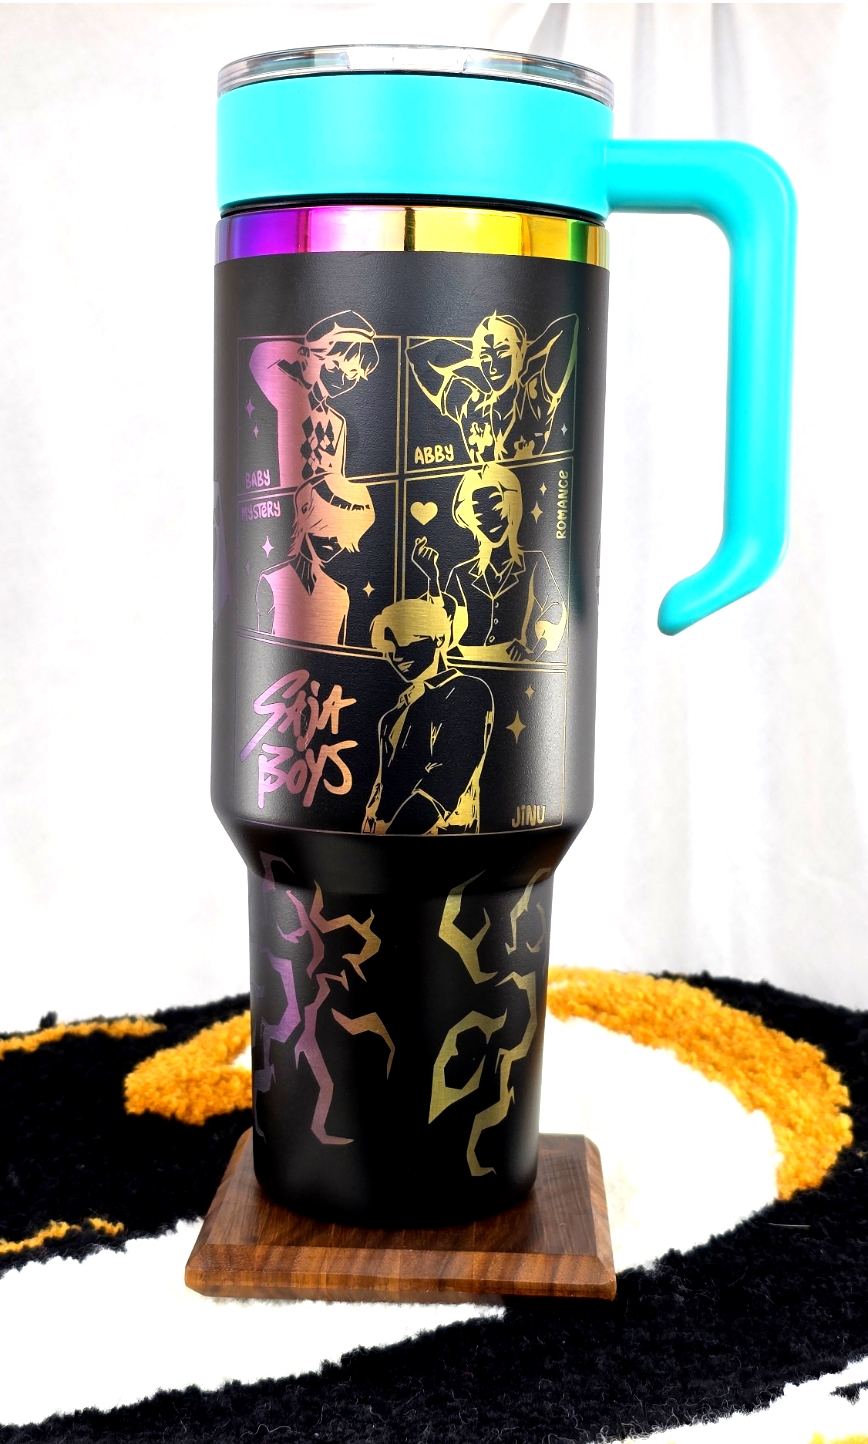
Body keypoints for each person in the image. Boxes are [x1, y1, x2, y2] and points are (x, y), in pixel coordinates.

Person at [411, 463, 567, 664]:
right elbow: (442, 626)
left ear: (511, 505)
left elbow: (555, 607)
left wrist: (535, 650)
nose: (488, 519)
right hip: (464, 660)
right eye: (478, 511)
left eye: (495, 504)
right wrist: (432, 579)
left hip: (511, 665)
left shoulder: (533, 562)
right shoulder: (460, 573)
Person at [363, 597, 494, 835]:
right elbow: (381, 787)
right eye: (388, 648)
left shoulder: (466, 691)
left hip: (445, 836)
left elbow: (442, 785)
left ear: (439, 638)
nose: (396, 655)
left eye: (405, 642)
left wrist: (392, 837)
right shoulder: (392, 715)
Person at [407, 312, 577, 464]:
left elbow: (568, 326)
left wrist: (526, 356)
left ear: (520, 353)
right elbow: (418, 356)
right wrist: (471, 362)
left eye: (502, 352)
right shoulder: (470, 403)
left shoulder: (536, 397)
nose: (493, 367)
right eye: (485, 357)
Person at [248, 311, 379, 492]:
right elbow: (260, 354)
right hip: (283, 500)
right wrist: (305, 353)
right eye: (333, 367)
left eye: (352, 375)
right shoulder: (291, 400)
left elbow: (335, 480)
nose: (342, 380)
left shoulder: (337, 423)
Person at [256, 473, 374, 646]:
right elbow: (261, 647)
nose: (334, 543)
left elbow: (338, 656)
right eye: (327, 529)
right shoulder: (271, 581)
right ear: (304, 518)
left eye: (342, 537)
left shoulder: (340, 594)